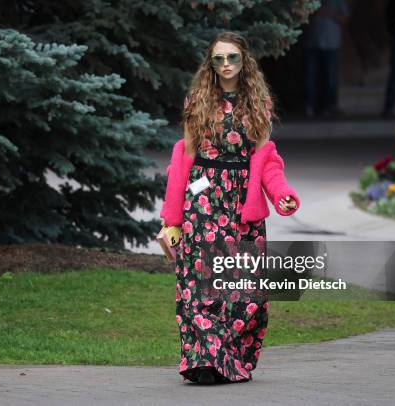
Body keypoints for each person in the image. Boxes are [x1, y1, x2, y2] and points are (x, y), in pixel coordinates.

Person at [160, 31, 301, 384]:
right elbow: (184, 158)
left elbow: (267, 160)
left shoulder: (258, 101)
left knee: (246, 293)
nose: (225, 65)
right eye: (218, 59)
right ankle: (206, 362)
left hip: (243, 202)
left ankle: (231, 359)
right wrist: (171, 219)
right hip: (203, 196)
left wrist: (281, 193)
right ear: (210, 63)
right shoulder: (198, 99)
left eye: (232, 58)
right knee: (201, 284)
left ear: (244, 61)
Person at [303, 0, 349, 117]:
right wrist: (314, 13)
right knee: (310, 77)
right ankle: (309, 106)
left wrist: (328, 14)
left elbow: (344, 18)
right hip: (312, 42)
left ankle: (330, 106)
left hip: (331, 43)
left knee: (330, 77)